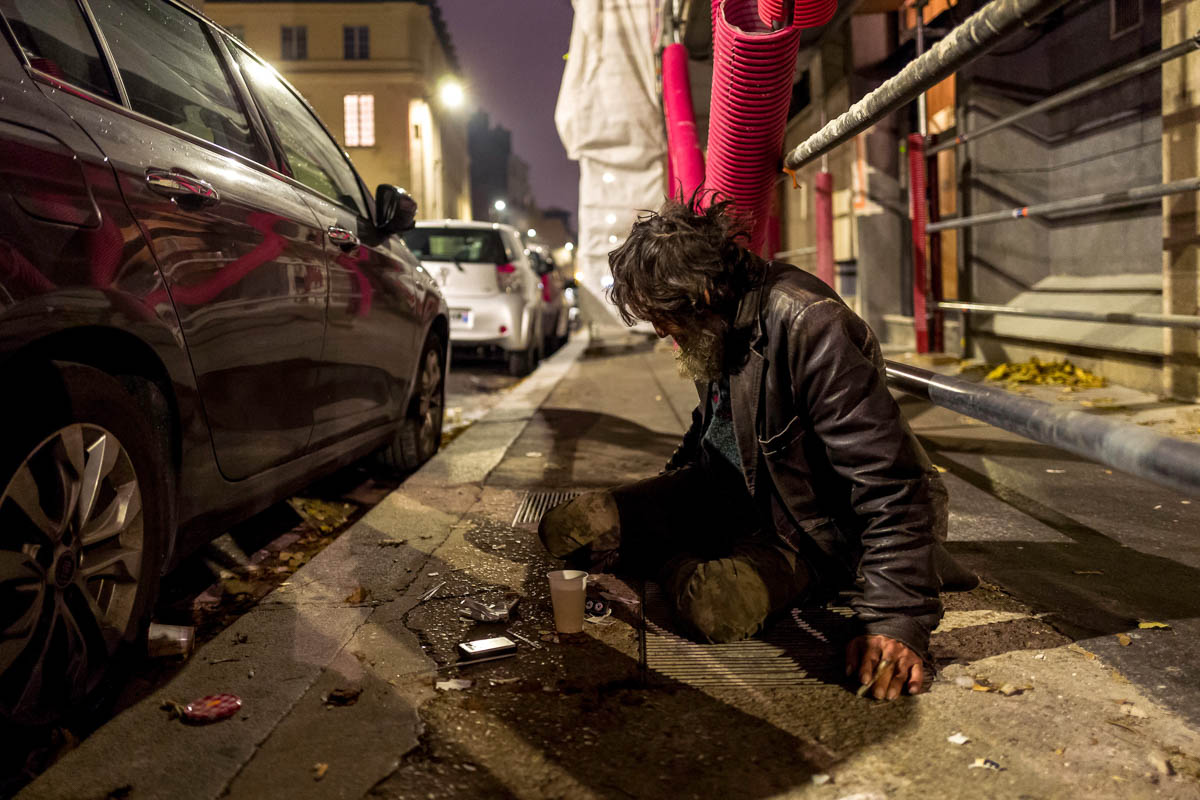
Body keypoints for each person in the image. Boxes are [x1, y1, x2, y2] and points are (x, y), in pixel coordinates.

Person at [538, 196, 974, 701]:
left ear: (702, 292)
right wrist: (659, 497)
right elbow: (713, 427)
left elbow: (891, 485)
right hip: (726, 495)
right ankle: (684, 557)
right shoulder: (716, 323)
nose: (660, 330)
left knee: (715, 606)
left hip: (807, 533)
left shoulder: (810, 324)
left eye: (663, 315)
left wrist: (897, 622)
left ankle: (677, 563)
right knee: (567, 529)